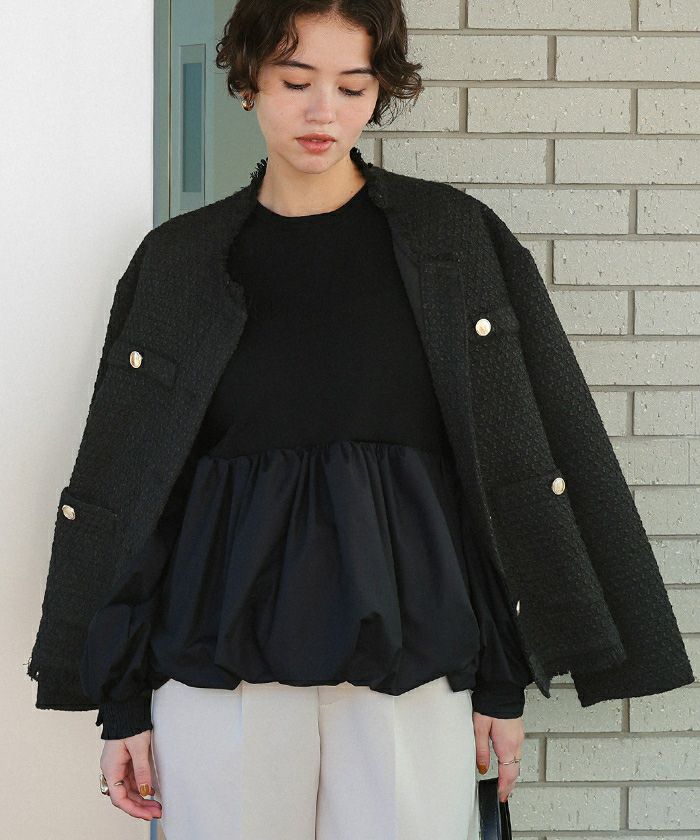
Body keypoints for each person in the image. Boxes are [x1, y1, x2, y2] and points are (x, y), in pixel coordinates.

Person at [80, 1, 529, 836]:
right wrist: (123, 700)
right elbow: (137, 494)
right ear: (248, 80)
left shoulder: (449, 243)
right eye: (296, 82)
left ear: (380, 91)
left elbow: (495, 473)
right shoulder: (179, 261)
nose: (324, 111)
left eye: (353, 87)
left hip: (413, 668)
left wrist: (502, 681)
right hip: (216, 671)